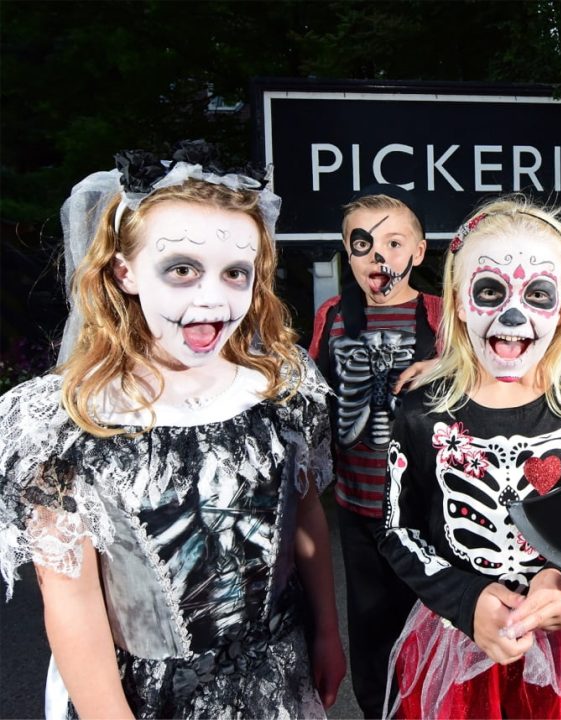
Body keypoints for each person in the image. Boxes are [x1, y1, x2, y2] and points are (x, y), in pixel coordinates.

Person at [0, 142, 346, 719]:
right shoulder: (65, 424)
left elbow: (306, 520)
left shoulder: (281, 389)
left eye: (236, 273)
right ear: (124, 270)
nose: (211, 299)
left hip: (276, 677)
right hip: (149, 699)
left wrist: (327, 634)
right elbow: (73, 602)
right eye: (181, 270)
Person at [378, 197, 561, 719]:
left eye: (538, 294)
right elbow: (397, 531)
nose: (513, 315)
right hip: (457, 639)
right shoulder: (420, 414)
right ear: (456, 300)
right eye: (490, 291)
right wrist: (463, 599)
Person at [307, 183, 441, 717]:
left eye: (393, 242)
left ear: (419, 251)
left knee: (433, 627)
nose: (379, 256)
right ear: (348, 254)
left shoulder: (444, 314)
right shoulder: (334, 316)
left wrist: (452, 366)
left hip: (429, 513)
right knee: (370, 633)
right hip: (359, 508)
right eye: (361, 244)